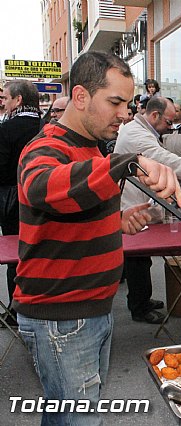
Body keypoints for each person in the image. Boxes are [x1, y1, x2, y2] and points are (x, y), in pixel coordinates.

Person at [14, 51, 181, 425]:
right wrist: (127, 162)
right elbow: (45, 187)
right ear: (80, 97)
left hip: (91, 311)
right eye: (116, 102)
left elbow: (69, 214)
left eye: (128, 103)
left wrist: (117, 220)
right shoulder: (47, 146)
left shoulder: (91, 146)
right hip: (63, 317)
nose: (125, 113)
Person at [115, 96, 181, 324]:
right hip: (133, 205)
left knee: (143, 258)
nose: (171, 127)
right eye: (168, 122)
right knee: (138, 258)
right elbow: (163, 159)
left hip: (140, 202)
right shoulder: (135, 134)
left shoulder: (142, 130)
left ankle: (143, 299)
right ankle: (139, 307)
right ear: (154, 116)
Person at [0, 79, 44, 325]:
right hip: (47, 201)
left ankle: (17, 311)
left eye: (5, 98)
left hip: (15, 205)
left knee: (15, 258)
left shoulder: (5, 130)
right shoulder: (48, 126)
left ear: (18, 100)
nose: (3, 104)